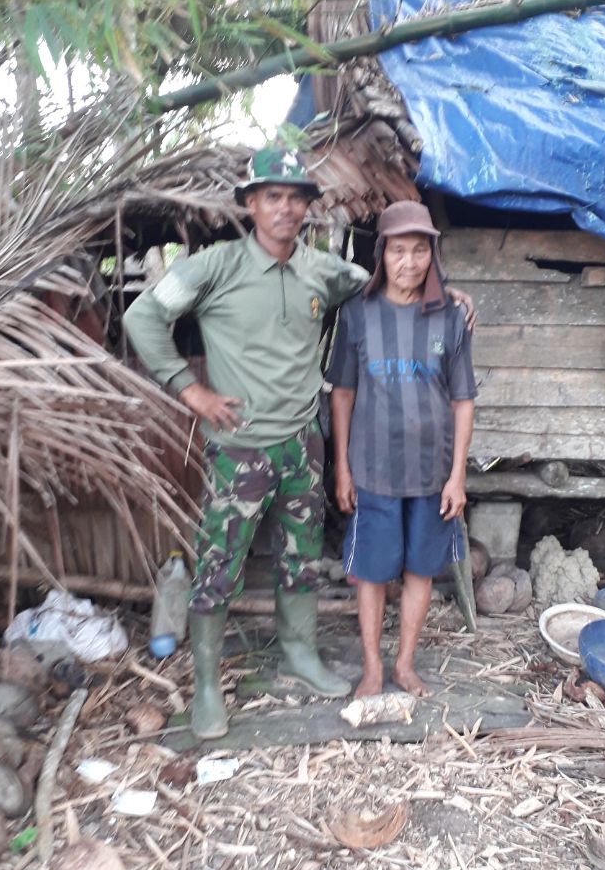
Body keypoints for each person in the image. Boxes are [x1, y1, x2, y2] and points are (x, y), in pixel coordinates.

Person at [123, 149, 474, 739]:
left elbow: (398, 281)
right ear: (250, 204)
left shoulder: (324, 272)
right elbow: (141, 317)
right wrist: (190, 390)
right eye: (272, 197)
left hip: (303, 443)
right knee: (218, 566)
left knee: (300, 558)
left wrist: (450, 292)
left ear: (310, 208)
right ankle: (206, 684)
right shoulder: (213, 267)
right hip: (239, 447)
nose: (285, 208)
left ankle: (300, 655)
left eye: (296, 198)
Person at [328, 201, 476, 699]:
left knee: (420, 571)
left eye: (419, 251)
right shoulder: (356, 314)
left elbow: (463, 400)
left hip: (432, 475)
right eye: (398, 250)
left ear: (431, 255)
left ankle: (404, 666)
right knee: (370, 573)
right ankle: (372, 667)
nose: (408, 262)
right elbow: (342, 394)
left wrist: (457, 476)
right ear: (381, 254)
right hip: (372, 470)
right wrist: (342, 467)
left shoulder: (451, 317)